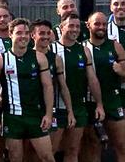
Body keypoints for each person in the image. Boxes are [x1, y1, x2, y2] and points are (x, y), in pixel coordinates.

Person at [0, 18, 55, 162]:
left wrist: (49, 114)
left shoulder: (39, 57)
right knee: (15, 158)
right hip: (12, 117)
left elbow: (48, 87)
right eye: (19, 33)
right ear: (10, 34)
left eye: (26, 33)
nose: (23, 36)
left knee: (47, 157)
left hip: (35, 115)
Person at [50, 13, 104, 162]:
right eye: (71, 26)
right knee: (51, 152)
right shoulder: (51, 49)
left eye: (77, 26)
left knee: (73, 149)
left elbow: (92, 79)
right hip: (57, 108)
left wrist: (99, 104)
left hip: (79, 107)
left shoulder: (83, 50)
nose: (75, 29)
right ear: (61, 27)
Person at [82, 11, 125, 162]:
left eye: (104, 24)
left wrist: (121, 70)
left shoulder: (115, 46)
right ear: (88, 25)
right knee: (93, 145)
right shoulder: (82, 47)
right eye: (97, 23)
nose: (101, 27)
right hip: (90, 103)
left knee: (121, 145)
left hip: (113, 101)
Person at [30, 19, 75, 154]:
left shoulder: (55, 58)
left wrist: (70, 111)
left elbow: (63, 86)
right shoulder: (26, 56)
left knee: (50, 152)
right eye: (41, 33)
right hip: (29, 111)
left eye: (48, 33)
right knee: (29, 154)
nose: (45, 36)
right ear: (33, 35)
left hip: (50, 111)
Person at [107, 0, 125, 151]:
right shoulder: (106, 31)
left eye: (123, 3)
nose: (120, 7)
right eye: (116, 4)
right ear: (111, 8)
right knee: (124, 138)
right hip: (122, 88)